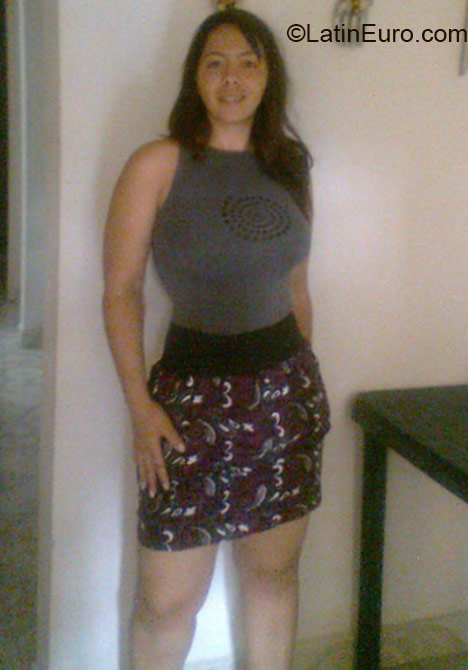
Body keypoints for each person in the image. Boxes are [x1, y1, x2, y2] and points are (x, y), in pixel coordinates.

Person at [102, 7, 330, 670]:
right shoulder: (157, 163)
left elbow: (296, 286)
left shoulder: (290, 164)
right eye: (216, 63)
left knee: (272, 579)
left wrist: (302, 382)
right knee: (165, 604)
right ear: (195, 77)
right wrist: (141, 409)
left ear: (269, 76)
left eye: (249, 63)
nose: (233, 78)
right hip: (186, 407)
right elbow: (121, 291)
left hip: (284, 399)